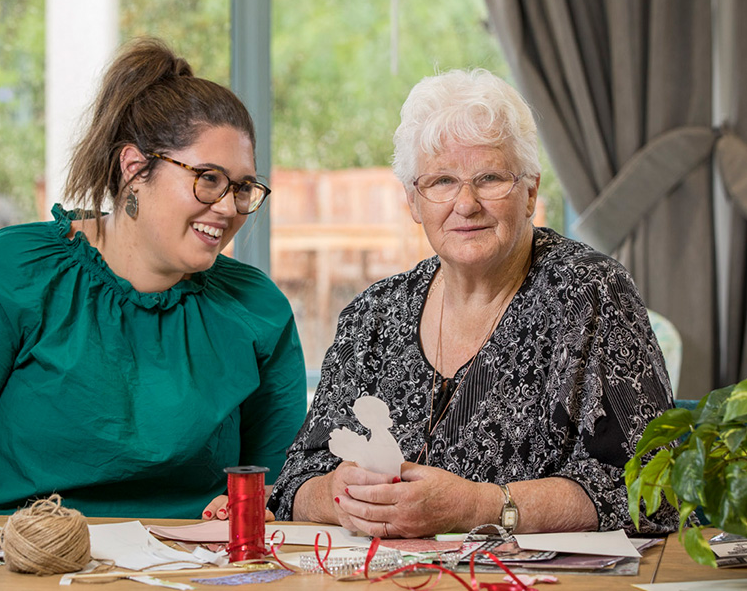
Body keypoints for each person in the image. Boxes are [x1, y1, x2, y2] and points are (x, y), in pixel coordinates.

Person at [0, 38, 306, 542]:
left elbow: (281, 483)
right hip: (19, 565)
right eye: (208, 179)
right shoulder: (8, 275)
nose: (228, 208)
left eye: (244, 188)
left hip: (191, 569)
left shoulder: (257, 308)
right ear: (135, 168)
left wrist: (265, 503)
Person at [267, 68, 677, 538]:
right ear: (413, 202)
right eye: (441, 181)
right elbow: (294, 483)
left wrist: (481, 506)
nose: (466, 203)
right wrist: (338, 496)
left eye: (489, 178)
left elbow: (654, 491)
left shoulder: (590, 293)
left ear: (529, 193)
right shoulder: (373, 315)